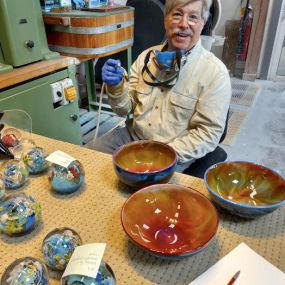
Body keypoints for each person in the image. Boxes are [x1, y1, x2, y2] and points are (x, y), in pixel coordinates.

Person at [87, 0, 231, 172]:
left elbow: (208, 132)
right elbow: (124, 110)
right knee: (87, 159)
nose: (183, 24)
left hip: (176, 150)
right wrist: (116, 87)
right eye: (177, 14)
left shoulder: (215, 73)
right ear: (166, 19)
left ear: (203, 23)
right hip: (132, 137)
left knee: (140, 189)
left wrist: (163, 155)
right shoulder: (145, 58)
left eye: (193, 17)